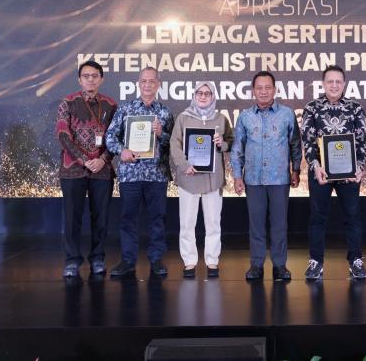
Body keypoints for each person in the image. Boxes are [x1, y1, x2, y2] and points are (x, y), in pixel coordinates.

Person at [231, 71, 302, 281]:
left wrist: (296, 170)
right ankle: (256, 265)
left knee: (279, 225)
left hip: (280, 179)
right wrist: (237, 176)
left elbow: (295, 144)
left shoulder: (287, 114)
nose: (263, 91)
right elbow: (237, 148)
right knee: (256, 225)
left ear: (274, 90)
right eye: (259, 88)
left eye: (267, 87)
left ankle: (280, 266)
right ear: (253, 90)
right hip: (253, 179)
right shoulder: (245, 116)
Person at [301, 65, 366, 280]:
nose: (334, 85)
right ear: (323, 84)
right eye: (330, 81)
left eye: (338, 81)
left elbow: (361, 142)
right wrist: (315, 166)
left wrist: (360, 167)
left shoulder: (355, 108)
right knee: (317, 217)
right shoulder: (312, 108)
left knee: (353, 216)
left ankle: (356, 260)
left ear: (344, 84)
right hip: (321, 173)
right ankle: (315, 262)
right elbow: (308, 141)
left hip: (349, 173)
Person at [106, 67, 174, 277]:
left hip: (156, 174)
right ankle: (128, 260)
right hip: (131, 174)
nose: (147, 85)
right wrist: (122, 151)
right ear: (138, 83)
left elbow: (174, 145)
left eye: (152, 81)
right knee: (128, 218)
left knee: (157, 218)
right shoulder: (125, 109)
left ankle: (156, 259)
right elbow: (110, 137)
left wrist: (162, 134)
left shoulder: (165, 112)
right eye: (144, 81)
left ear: (158, 84)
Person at [56, 60, 117, 277]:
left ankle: (98, 258)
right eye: (86, 76)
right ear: (79, 79)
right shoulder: (67, 103)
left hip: (102, 169)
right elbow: (63, 135)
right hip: (73, 169)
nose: (90, 79)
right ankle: (72, 260)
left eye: (94, 76)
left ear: (101, 79)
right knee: (72, 217)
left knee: (101, 217)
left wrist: (103, 159)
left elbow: (116, 137)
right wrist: (84, 159)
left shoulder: (111, 105)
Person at [170, 81, 233, 279]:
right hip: (189, 177)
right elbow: (174, 143)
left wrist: (222, 144)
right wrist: (183, 164)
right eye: (200, 93)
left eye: (208, 93)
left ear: (213, 96)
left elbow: (231, 142)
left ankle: (212, 261)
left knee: (213, 222)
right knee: (187, 223)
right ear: (194, 95)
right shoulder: (183, 117)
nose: (203, 96)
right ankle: (189, 262)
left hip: (213, 179)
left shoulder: (221, 119)